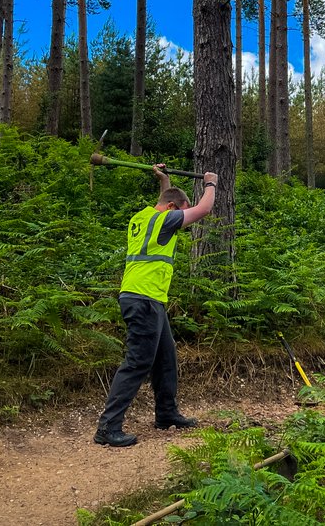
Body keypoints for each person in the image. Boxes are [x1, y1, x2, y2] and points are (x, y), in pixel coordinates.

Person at [94, 165, 218, 448]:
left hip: (147, 299)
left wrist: (165, 180)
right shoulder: (164, 220)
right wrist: (210, 184)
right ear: (173, 209)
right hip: (143, 299)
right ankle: (108, 427)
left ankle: (166, 413)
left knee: (165, 357)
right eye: (178, 213)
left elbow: (166, 202)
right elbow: (203, 210)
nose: (180, 221)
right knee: (137, 362)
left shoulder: (143, 216)